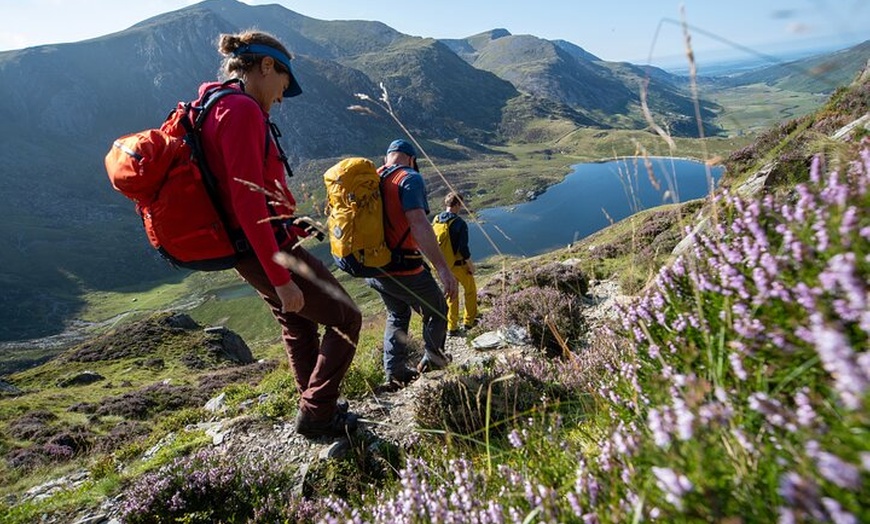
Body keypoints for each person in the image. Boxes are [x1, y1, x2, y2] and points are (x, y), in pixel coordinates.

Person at [199, 30, 361, 439]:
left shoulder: (219, 104)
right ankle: (317, 413)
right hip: (263, 252)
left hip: (251, 246)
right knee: (346, 318)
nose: (281, 98)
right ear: (266, 66)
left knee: (300, 324)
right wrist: (280, 278)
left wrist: (291, 222)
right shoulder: (241, 111)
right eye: (283, 86)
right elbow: (247, 202)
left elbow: (245, 192)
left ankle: (316, 408)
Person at [366, 139, 459, 391]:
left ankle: (394, 372)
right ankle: (434, 362)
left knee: (398, 313)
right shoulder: (409, 178)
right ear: (412, 159)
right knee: (438, 309)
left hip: (372, 267)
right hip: (403, 267)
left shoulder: (370, 178)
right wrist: (442, 268)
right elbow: (418, 224)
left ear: (388, 157)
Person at [433, 192, 478, 336]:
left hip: (445, 267)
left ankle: (451, 327)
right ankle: (469, 322)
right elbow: (463, 249)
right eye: (461, 204)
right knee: (470, 291)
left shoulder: (436, 220)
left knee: (451, 295)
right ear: (457, 204)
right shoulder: (459, 223)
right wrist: (471, 266)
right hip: (459, 265)